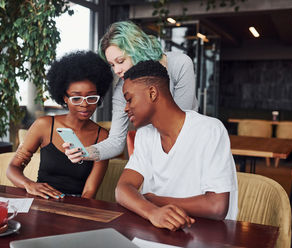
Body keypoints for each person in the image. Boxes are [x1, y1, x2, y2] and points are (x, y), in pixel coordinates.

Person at [115, 60, 238, 231]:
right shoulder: (145, 135)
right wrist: (152, 212)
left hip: (207, 238)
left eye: (129, 99)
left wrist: (154, 200)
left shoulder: (209, 130)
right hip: (160, 232)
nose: (126, 108)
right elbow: (122, 188)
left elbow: (216, 207)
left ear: (152, 93)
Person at [64, 20, 198, 162]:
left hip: (188, 149)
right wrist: (85, 152)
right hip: (154, 154)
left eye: (120, 61)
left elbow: (180, 122)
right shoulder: (122, 89)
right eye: (112, 65)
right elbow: (116, 141)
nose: (117, 70)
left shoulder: (180, 64)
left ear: (137, 49)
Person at [7, 51, 112, 199]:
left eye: (91, 97)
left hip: (77, 206)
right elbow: (13, 168)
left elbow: (89, 191)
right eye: (76, 98)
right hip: (40, 202)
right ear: (64, 98)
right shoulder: (44, 126)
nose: (84, 104)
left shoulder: (102, 136)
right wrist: (29, 184)